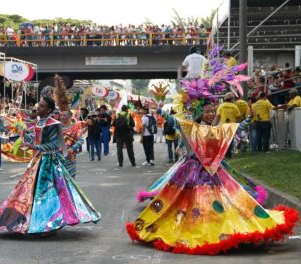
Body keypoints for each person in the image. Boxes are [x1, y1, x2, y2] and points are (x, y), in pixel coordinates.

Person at [127, 47, 298, 255]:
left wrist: (245, 121)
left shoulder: (215, 129)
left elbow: (231, 131)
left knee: (224, 202)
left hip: (216, 173)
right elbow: (173, 121)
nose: (210, 114)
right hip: (192, 173)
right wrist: (160, 108)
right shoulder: (192, 127)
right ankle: (196, 231)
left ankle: (223, 229)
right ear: (200, 112)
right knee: (186, 204)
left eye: (212, 111)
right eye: (207, 111)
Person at [0, 96, 100, 234]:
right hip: (38, 160)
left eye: (41, 106)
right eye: (38, 105)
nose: (38, 108)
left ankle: (49, 224)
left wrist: (35, 146)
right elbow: (36, 140)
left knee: (48, 194)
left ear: (49, 109)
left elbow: (55, 144)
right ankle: (34, 222)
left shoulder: (53, 124)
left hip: (49, 162)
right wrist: (22, 132)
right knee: (31, 192)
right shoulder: (40, 121)